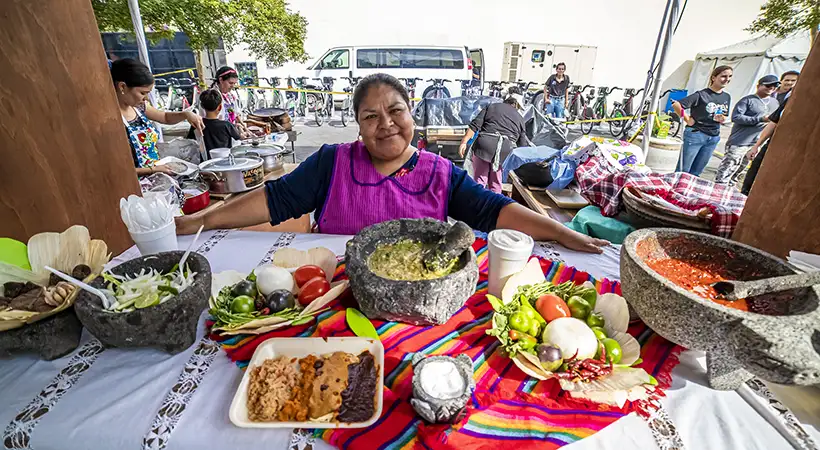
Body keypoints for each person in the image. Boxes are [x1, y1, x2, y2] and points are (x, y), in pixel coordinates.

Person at [175, 73, 608, 254]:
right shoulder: (331, 163)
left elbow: (494, 211)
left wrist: (561, 233)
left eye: (395, 111)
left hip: (415, 309)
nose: (385, 124)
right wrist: (202, 221)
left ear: (411, 112)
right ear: (358, 125)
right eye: (370, 116)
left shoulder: (442, 175)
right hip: (333, 302)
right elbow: (274, 199)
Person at [111, 58, 204, 177]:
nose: (146, 99)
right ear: (122, 87)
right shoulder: (110, 119)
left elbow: (165, 117)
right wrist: (153, 169)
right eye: (142, 93)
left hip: (154, 177)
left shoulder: (140, 108)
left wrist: (186, 114)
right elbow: (118, 170)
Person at [458, 88, 529, 194]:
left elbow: (474, 126)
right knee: (496, 183)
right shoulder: (520, 118)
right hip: (504, 150)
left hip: (484, 146)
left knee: (480, 180)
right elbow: (522, 145)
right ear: (516, 104)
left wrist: (464, 142)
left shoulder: (491, 106)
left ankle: (476, 206)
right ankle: (495, 207)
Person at [714, 75, 779, 186]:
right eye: (768, 85)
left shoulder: (775, 103)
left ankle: (729, 191)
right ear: (759, 86)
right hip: (739, 141)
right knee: (727, 170)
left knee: (740, 171)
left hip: (756, 144)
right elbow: (736, 117)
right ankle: (718, 190)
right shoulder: (748, 100)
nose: (771, 88)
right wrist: (760, 119)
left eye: (774, 86)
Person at [672, 65, 733, 176]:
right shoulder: (701, 94)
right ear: (714, 78)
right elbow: (677, 104)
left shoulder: (726, 97)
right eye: (723, 76)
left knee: (697, 172)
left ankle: (688, 192)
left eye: (730, 76)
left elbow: (724, 115)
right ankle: (676, 190)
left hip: (713, 136)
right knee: (683, 170)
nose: (727, 79)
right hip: (696, 134)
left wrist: (722, 118)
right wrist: (687, 119)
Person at [741, 91, 791, 195]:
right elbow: (773, 122)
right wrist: (756, 146)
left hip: (791, 153)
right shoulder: (790, 100)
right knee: (751, 178)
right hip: (771, 146)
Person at [186, 89, 241, 155]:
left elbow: (190, 141)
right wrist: (240, 128)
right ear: (220, 107)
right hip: (224, 161)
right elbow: (238, 137)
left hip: (204, 162)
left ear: (202, 106)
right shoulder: (227, 125)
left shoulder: (196, 124)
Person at [208, 66, 249, 137]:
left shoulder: (230, 96)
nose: (232, 86)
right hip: (219, 135)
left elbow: (236, 115)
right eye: (230, 83)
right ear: (221, 80)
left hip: (231, 133)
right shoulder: (211, 96)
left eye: (234, 83)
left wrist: (245, 129)